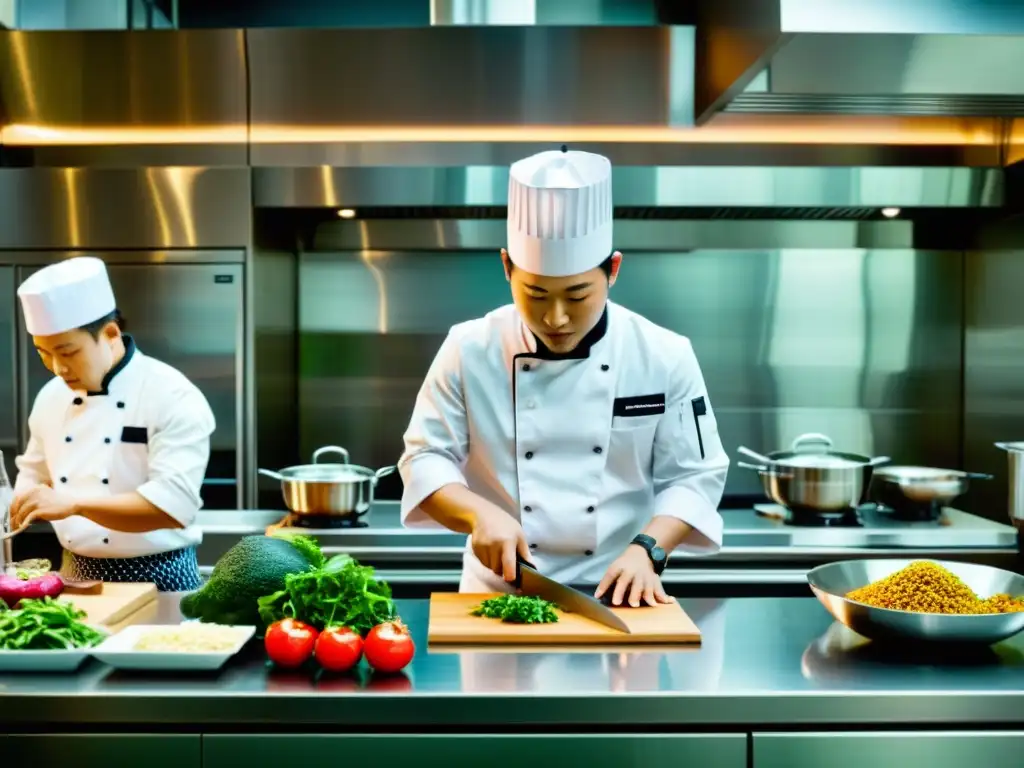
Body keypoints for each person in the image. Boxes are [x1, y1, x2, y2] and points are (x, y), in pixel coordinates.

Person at [397, 147, 730, 607]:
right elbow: (424, 460)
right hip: (495, 598)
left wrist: (650, 549)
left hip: (622, 592)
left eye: (576, 296)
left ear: (612, 270)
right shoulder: (468, 348)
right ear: (506, 268)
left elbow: (697, 477)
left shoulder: (664, 355)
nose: (555, 318)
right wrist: (479, 515)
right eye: (535, 294)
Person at [8, 256, 216, 592]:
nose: (57, 367)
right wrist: (20, 499)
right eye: (43, 352)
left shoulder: (171, 394)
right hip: (74, 572)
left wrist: (73, 504)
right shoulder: (50, 397)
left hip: (161, 574)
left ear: (109, 334)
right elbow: (34, 471)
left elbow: (172, 506)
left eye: (67, 351)